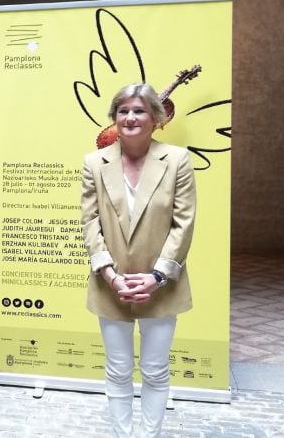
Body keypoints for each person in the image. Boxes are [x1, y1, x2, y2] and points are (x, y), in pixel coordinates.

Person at [80, 83, 197, 438]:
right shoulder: (94, 163)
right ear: (114, 118)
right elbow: (89, 222)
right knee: (117, 370)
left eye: (139, 111)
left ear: (156, 118)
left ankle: (149, 435)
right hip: (109, 284)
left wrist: (158, 277)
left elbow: (184, 222)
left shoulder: (177, 160)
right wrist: (110, 274)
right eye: (123, 111)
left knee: (155, 370)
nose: (130, 118)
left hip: (160, 287)